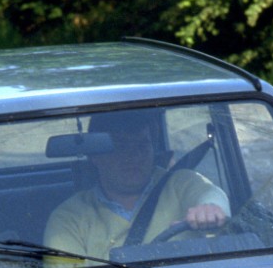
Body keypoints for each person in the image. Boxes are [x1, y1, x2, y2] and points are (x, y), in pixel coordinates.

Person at [44, 110, 230, 259]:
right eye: (121, 147)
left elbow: (210, 193)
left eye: (142, 146)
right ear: (95, 156)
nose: (134, 157)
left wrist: (210, 208)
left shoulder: (180, 183)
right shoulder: (69, 217)